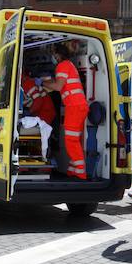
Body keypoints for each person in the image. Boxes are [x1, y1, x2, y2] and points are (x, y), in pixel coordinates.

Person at [47, 40, 89, 179]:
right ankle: (73, 170)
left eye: (53, 54)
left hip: (74, 107)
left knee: (70, 140)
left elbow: (58, 86)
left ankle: (81, 172)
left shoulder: (62, 66)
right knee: (74, 140)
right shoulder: (68, 65)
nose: (53, 56)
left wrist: (43, 82)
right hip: (77, 106)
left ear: (58, 55)